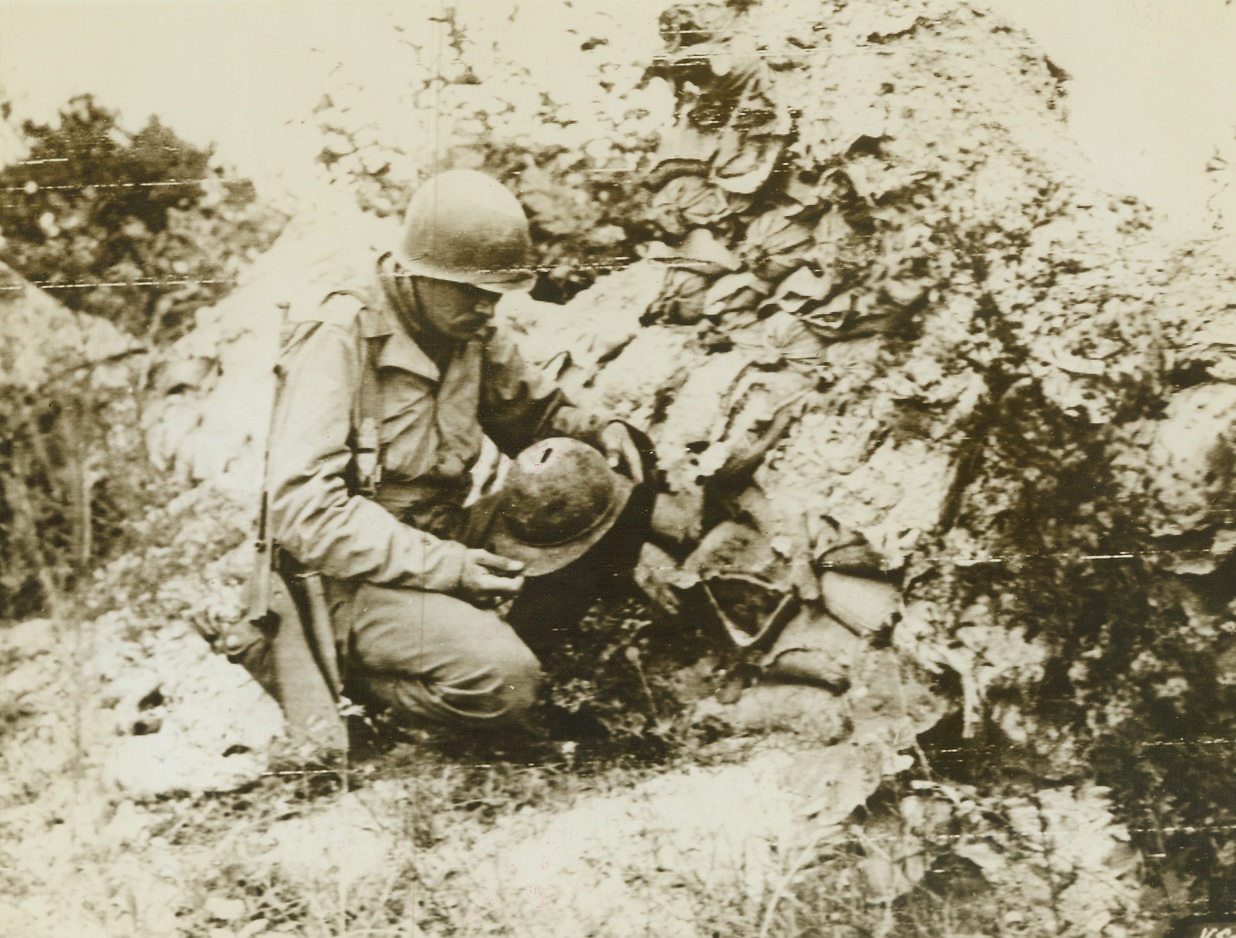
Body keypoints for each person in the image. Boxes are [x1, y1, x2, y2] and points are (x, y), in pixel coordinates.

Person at [261, 169, 651, 738]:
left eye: (495, 293)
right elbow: (303, 511)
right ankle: (371, 693)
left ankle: (517, 647)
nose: (488, 309)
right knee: (509, 684)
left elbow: (533, 412)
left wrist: (601, 428)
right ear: (417, 274)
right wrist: (449, 569)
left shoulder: (469, 325)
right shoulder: (339, 334)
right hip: (352, 577)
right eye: (472, 290)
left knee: (616, 475)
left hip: (446, 535)